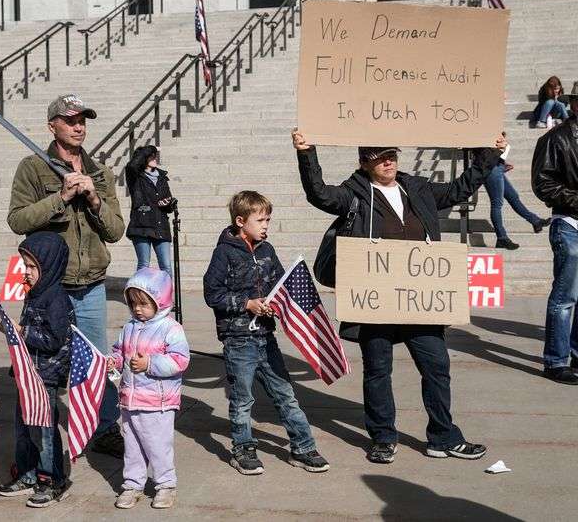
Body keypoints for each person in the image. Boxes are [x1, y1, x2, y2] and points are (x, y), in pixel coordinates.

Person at [292, 130, 505, 464]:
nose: (389, 160)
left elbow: (459, 189)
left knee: (437, 366)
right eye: (380, 155)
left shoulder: (417, 187)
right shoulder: (355, 194)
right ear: (365, 162)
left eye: (392, 153)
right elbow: (319, 194)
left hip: (420, 302)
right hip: (377, 303)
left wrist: (490, 154)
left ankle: (443, 436)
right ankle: (383, 437)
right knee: (378, 370)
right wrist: (307, 153)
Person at [7, 93, 126, 456]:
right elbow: (18, 220)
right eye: (70, 120)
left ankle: (105, 427)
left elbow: (116, 230)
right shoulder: (33, 168)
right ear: (52, 125)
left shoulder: (100, 173)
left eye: (83, 120)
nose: (78, 126)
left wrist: (92, 199)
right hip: (49, 287)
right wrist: (60, 197)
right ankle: (41, 429)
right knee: (43, 363)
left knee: (97, 360)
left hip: (89, 284)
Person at [203, 191, 330, 476]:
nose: (265, 225)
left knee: (285, 394)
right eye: (260, 220)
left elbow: (279, 283)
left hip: (265, 337)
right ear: (240, 221)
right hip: (238, 339)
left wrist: (274, 302)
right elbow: (212, 293)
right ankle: (243, 448)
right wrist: (246, 304)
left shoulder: (266, 250)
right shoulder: (224, 252)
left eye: (268, 219)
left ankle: (303, 447)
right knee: (242, 399)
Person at [0, 232, 74, 507]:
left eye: (31, 267)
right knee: (24, 429)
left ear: (49, 267)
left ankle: (51, 480)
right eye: (24, 265)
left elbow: (54, 339)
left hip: (46, 376)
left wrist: (23, 331)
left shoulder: (57, 300)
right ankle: (27, 473)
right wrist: (12, 331)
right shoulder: (35, 294)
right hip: (28, 375)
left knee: (43, 431)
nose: (25, 272)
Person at [108, 268, 189, 509]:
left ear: (160, 301)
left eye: (144, 303)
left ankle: (166, 484)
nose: (137, 309)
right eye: (133, 303)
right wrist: (113, 361)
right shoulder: (129, 327)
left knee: (157, 445)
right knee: (132, 446)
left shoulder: (171, 328)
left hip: (158, 401)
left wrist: (150, 363)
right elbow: (119, 350)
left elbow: (179, 360)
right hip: (130, 400)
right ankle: (132, 484)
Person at [532, 80, 578, 385]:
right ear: (575, 105)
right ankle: (556, 360)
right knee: (565, 297)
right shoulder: (556, 138)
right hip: (570, 223)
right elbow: (543, 184)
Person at [484, 139, 551, 250]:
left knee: (513, 197)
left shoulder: (493, 131)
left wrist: (502, 162)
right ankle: (502, 238)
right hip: (491, 168)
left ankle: (535, 221)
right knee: (497, 203)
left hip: (497, 166)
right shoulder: (484, 132)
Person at [124, 145, 176, 276]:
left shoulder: (162, 176)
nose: (155, 157)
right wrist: (150, 148)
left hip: (160, 225)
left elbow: (167, 201)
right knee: (143, 265)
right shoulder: (135, 176)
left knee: (166, 266)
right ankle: (139, 296)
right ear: (143, 158)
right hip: (141, 225)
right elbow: (131, 166)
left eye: (155, 155)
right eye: (151, 156)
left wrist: (167, 204)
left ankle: (166, 296)